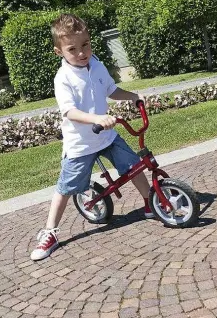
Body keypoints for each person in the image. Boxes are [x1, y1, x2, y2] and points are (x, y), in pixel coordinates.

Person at [31, 13, 154, 261]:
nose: (81, 53)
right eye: (72, 49)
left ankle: (151, 202)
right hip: (80, 144)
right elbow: (69, 112)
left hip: (106, 136)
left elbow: (111, 90)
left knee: (133, 166)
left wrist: (133, 96)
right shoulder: (63, 78)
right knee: (66, 187)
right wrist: (96, 118)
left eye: (85, 45)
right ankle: (50, 232)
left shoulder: (97, 65)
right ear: (59, 52)